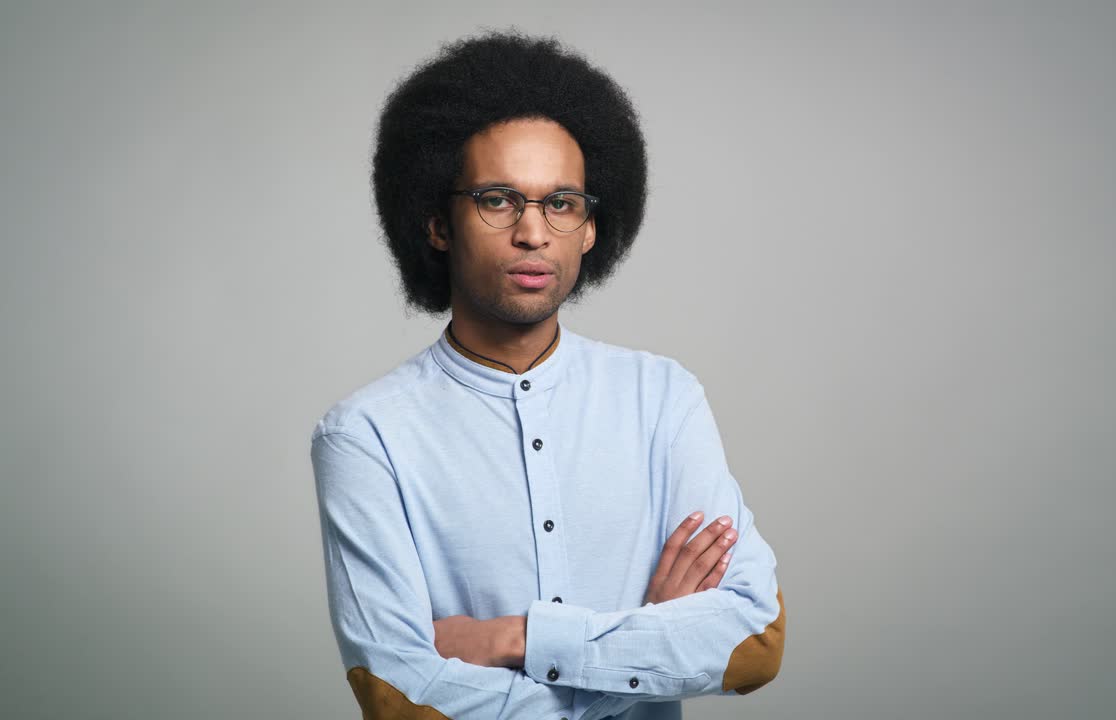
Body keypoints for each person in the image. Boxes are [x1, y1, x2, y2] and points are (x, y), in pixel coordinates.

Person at [309, 30, 785, 720]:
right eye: (498, 199)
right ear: (439, 223)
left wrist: (518, 638)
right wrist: (648, 649)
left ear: (591, 228)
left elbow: (754, 643)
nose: (533, 232)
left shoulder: (662, 400)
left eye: (561, 203)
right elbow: (400, 697)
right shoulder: (365, 437)